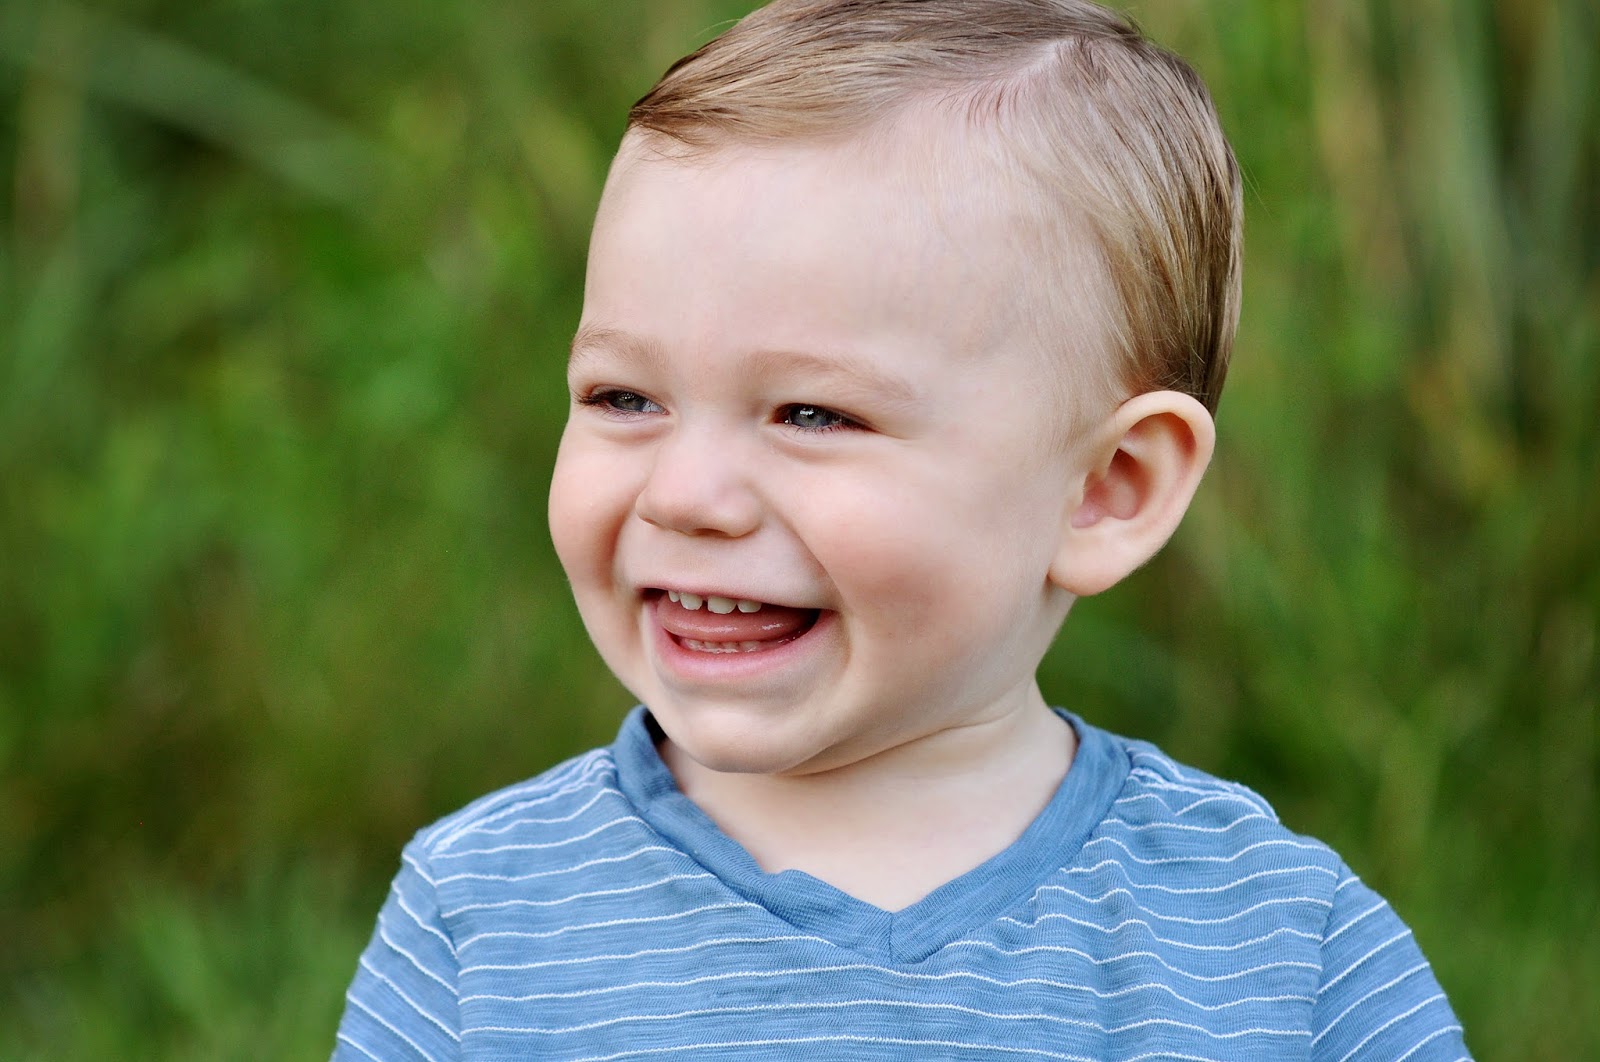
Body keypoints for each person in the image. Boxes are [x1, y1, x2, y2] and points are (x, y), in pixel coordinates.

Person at [332, 1, 1471, 1058]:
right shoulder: (483, 921)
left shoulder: (1275, 952)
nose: (683, 495)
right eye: (624, 397)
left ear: (1106, 488)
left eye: (811, 414)